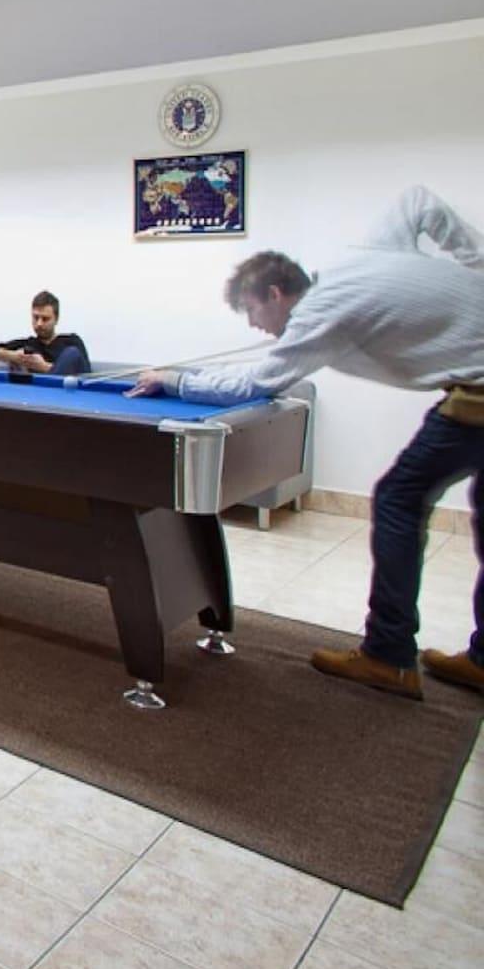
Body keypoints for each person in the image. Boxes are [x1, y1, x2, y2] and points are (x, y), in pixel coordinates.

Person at [131, 186, 484, 700]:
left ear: (276, 294)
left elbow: (256, 383)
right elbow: (418, 202)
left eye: (252, 311)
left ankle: (388, 657)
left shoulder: (320, 312)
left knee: (397, 498)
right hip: (472, 388)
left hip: (478, 394)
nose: (255, 326)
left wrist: (173, 380)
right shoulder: (362, 257)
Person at [0, 291, 91, 376]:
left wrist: (42, 366)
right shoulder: (29, 343)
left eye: (45, 319)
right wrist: (15, 357)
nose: (39, 324)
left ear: (56, 319)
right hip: (37, 394)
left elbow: (86, 374)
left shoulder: (72, 340)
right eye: (35, 318)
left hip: (66, 392)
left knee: (72, 353)